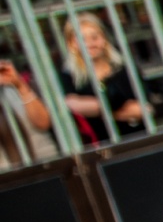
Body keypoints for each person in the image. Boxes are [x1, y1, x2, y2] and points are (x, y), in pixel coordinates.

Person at [59, 12, 148, 144]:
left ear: (104, 38)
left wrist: (97, 110)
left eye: (95, 37)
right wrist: (119, 109)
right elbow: (71, 104)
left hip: (138, 139)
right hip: (97, 146)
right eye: (82, 39)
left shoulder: (124, 69)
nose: (90, 43)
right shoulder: (68, 76)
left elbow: (143, 109)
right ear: (71, 43)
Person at [0, 59, 58, 168]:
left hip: (47, 163)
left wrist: (19, 85)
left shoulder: (11, 84)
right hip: (6, 173)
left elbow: (43, 123)